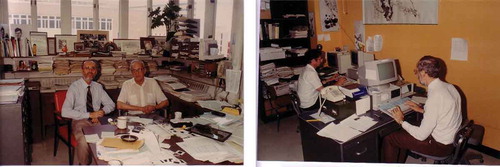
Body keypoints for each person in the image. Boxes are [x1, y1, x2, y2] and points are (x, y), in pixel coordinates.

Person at [382, 55, 462, 163]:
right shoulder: (450, 87)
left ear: (423, 72)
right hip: (450, 139)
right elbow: (445, 112)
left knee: (390, 137)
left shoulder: (435, 96)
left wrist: (401, 121)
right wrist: (422, 110)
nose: (417, 75)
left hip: (440, 146)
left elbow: (421, 135)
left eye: (417, 72)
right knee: (405, 132)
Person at [61, 60, 115, 165]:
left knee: (111, 137)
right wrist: (89, 115)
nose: (90, 71)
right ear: (82, 70)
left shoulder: (98, 87)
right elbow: (65, 111)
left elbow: (111, 104)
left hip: (97, 120)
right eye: (87, 68)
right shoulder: (74, 87)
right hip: (80, 120)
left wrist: (102, 112)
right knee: (83, 141)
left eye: (93, 68)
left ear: (96, 71)